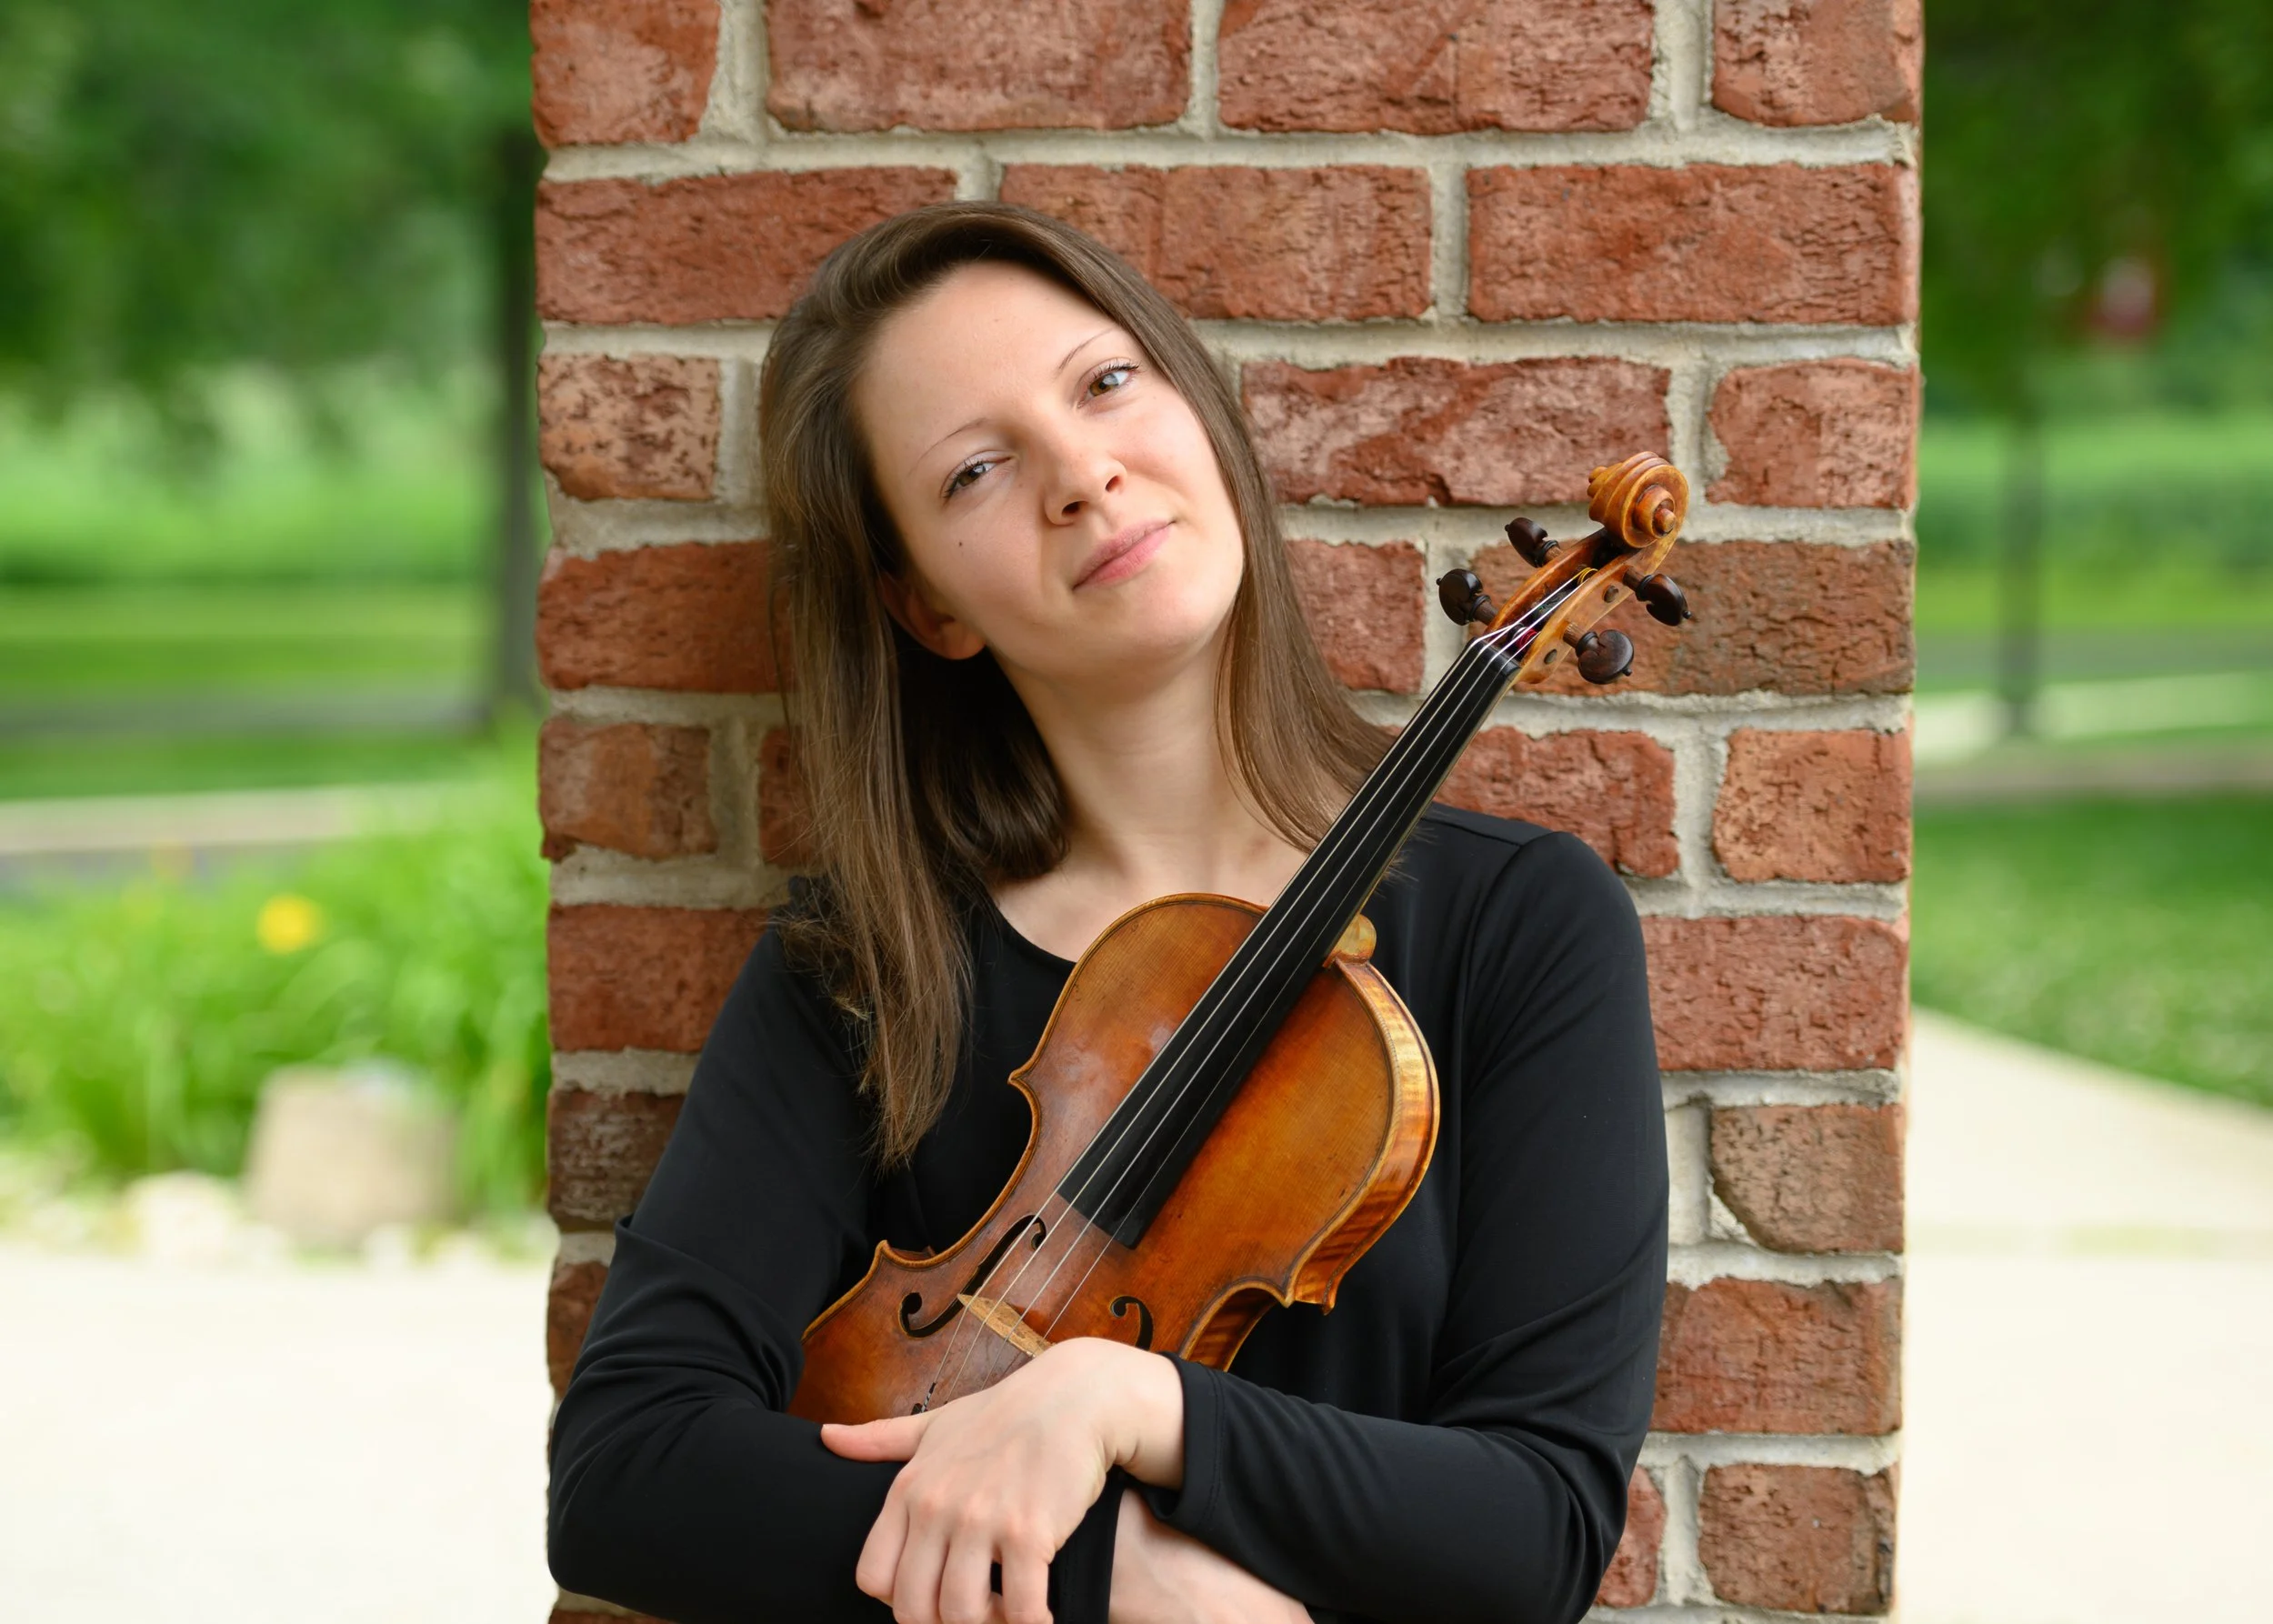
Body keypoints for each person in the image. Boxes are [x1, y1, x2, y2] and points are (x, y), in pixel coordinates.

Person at [546, 201, 1667, 1624]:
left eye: (1105, 383)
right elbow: (622, 1475)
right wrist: (1120, 1577)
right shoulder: (871, 962)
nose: (1082, 474)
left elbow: (1536, 1530)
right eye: (974, 471)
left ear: (1194, 408)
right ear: (928, 606)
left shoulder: (1522, 926)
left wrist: (1125, 1399)